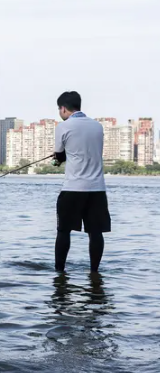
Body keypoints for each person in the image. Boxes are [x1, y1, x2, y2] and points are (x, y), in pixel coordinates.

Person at [52, 90, 111, 273]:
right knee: (96, 232)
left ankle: (60, 272)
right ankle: (94, 272)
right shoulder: (97, 126)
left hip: (73, 188)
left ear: (63, 108)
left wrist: (58, 159)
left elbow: (59, 155)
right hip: (97, 189)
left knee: (63, 231)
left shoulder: (63, 126)